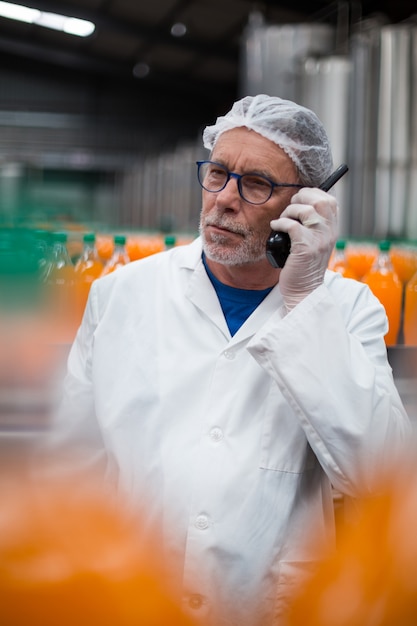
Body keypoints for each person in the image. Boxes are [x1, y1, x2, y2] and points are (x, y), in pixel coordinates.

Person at [42, 94, 411, 626]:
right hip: (131, 602)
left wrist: (306, 303)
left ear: (306, 203)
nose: (224, 199)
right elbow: (70, 469)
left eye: (256, 184)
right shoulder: (121, 294)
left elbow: (382, 476)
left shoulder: (348, 310)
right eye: (217, 173)